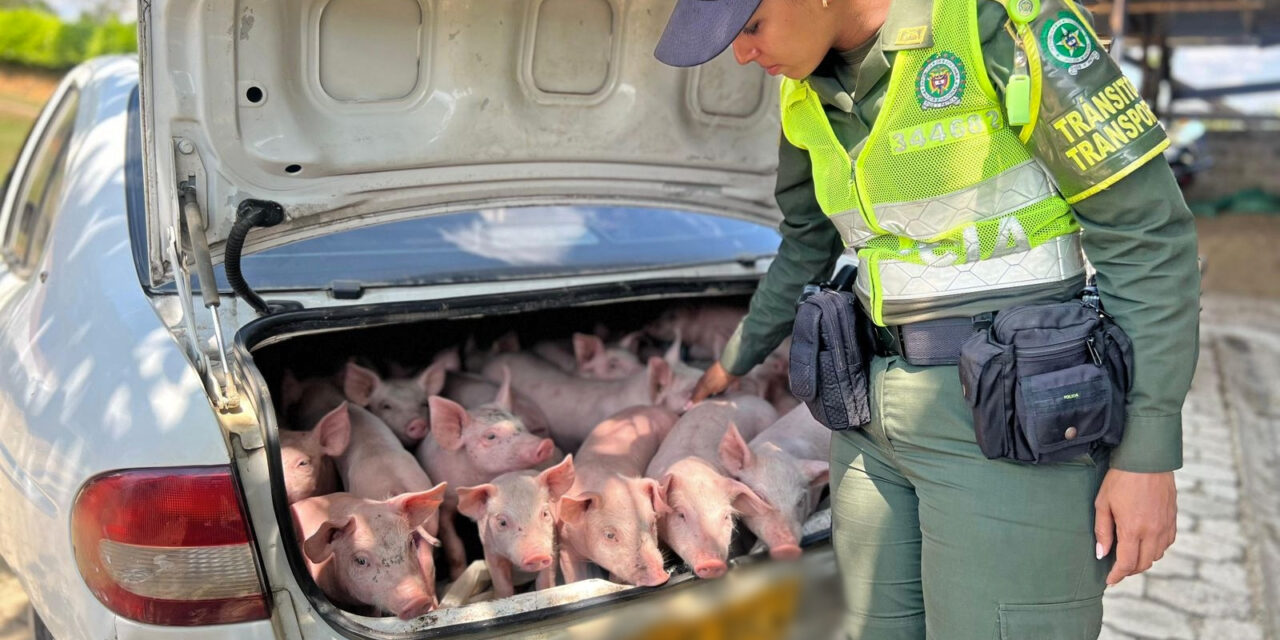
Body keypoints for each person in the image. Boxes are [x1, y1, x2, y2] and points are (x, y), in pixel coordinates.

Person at [654, 0, 1200, 638]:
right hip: (866, 424)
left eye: (751, 28)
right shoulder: (802, 93)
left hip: (1004, 426)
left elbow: (1147, 236)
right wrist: (733, 360)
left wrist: (1147, 454)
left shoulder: (998, 22)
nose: (744, 55)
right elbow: (805, 242)